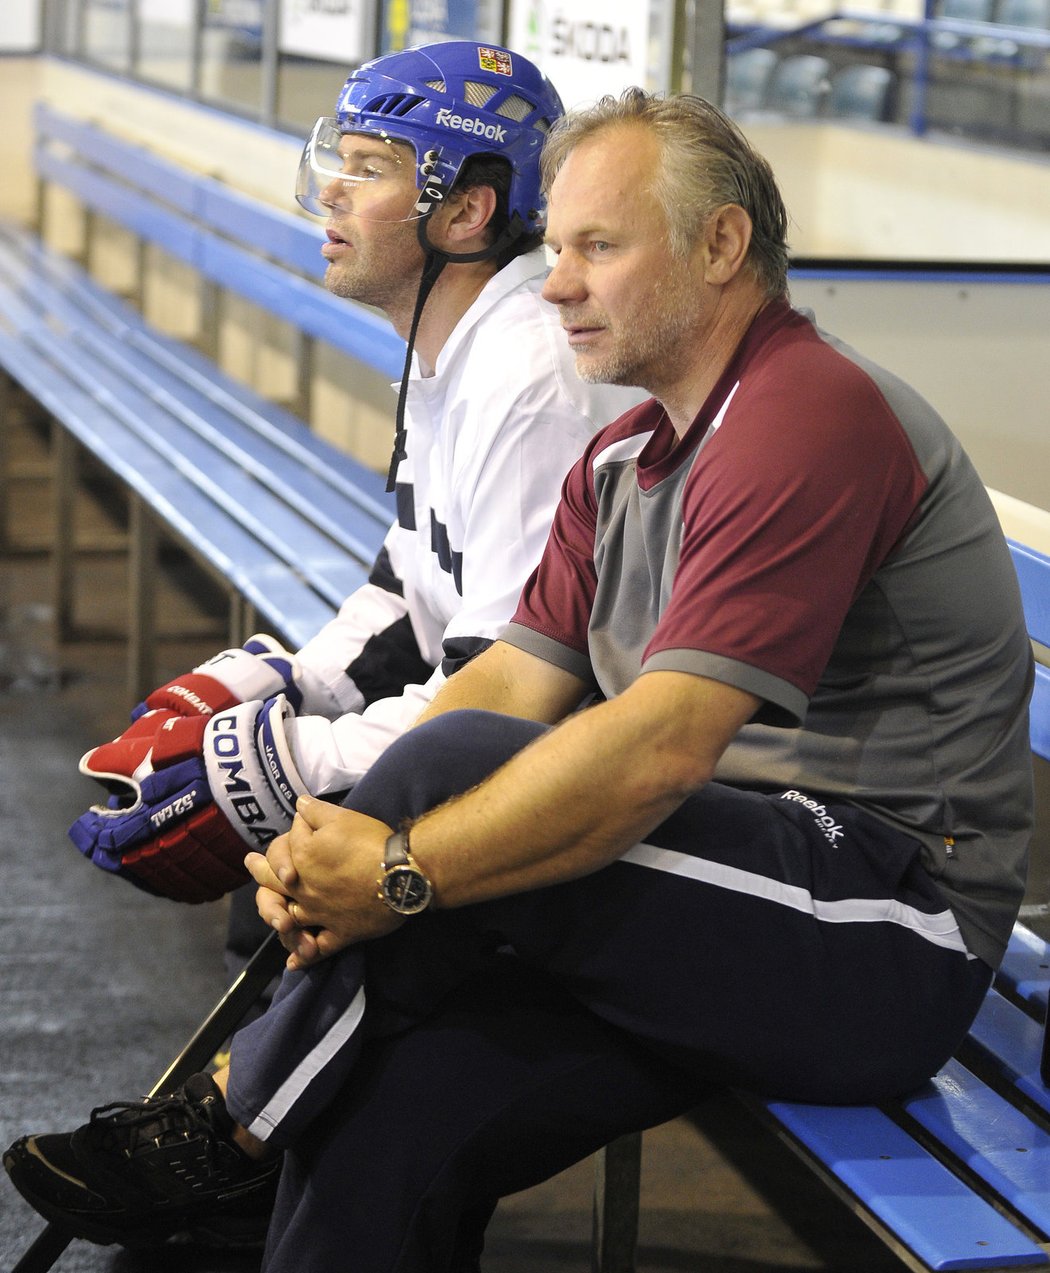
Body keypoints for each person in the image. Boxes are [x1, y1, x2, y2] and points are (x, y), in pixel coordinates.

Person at [6, 89, 1034, 1273]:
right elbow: (505, 687)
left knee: (448, 791)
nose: (554, 284)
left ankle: (235, 1111)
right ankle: (263, 1129)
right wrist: (336, 838)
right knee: (387, 1114)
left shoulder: (805, 412)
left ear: (720, 246)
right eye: (557, 250)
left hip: (883, 931)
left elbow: (659, 746)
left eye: (599, 247)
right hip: (708, 903)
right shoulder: (622, 454)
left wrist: (389, 872)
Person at [56, 43, 641, 947]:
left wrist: (291, 763)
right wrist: (291, 682)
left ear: (467, 210)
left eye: (370, 169)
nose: (332, 188)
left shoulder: (532, 377)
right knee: (273, 889)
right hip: (492, 730)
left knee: (293, 892)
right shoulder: (458, 342)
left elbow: (510, 691)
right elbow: (406, 585)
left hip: (573, 781)